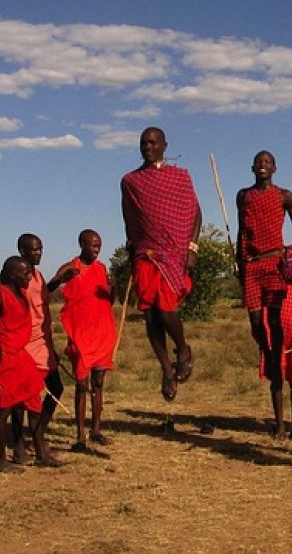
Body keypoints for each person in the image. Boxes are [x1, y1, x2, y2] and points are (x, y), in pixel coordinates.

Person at [121, 127, 201, 401]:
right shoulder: (131, 181)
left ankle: (183, 348)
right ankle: (166, 369)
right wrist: (131, 246)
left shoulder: (179, 177)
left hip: (175, 252)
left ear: (165, 146)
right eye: (143, 143)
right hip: (145, 254)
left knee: (166, 310)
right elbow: (129, 217)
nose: (148, 146)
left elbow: (195, 213)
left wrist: (192, 248)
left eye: (153, 142)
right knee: (151, 315)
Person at [236, 150, 292, 437]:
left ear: (274, 168)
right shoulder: (243, 196)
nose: (263, 166)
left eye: (268, 162)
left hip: (276, 262)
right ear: (252, 167)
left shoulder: (284, 196)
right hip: (252, 265)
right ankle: (269, 354)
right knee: (255, 322)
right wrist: (239, 262)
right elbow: (241, 231)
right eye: (259, 162)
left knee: (276, 321)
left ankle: (276, 356)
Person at [0, 256, 45, 472]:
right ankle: (1, 460)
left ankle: (41, 453)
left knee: (34, 402)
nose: (29, 277)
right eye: (25, 274)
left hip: (21, 357)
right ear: (14, 275)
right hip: (4, 357)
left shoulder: (22, 293)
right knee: (4, 410)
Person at [56, 229, 117, 451]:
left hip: (101, 333)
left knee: (98, 383)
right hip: (80, 334)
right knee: (81, 385)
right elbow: (51, 287)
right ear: (82, 244)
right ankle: (80, 435)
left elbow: (110, 300)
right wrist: (62, 278)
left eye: (99, 245)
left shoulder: (102, 269)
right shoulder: (71, 267)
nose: (96, 249)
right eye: (93, 245)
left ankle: (96, 430)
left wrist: (115, 286)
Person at [15, 233, 69, 466]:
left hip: (43, 342)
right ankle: (23, 446)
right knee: (24, 398)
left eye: (40, 249)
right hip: (25, 344)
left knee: (56, 388)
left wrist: (59, 280)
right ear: (22, 251)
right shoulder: (19, 277)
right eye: (34, 250)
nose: (39, 253)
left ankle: (37, 435)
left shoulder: (37, 276)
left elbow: (42, 296)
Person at [260, 276, 292, 439]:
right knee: (277, 380)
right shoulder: (271, 280)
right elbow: (264, 309)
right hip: (275, 335)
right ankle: (281, 426)